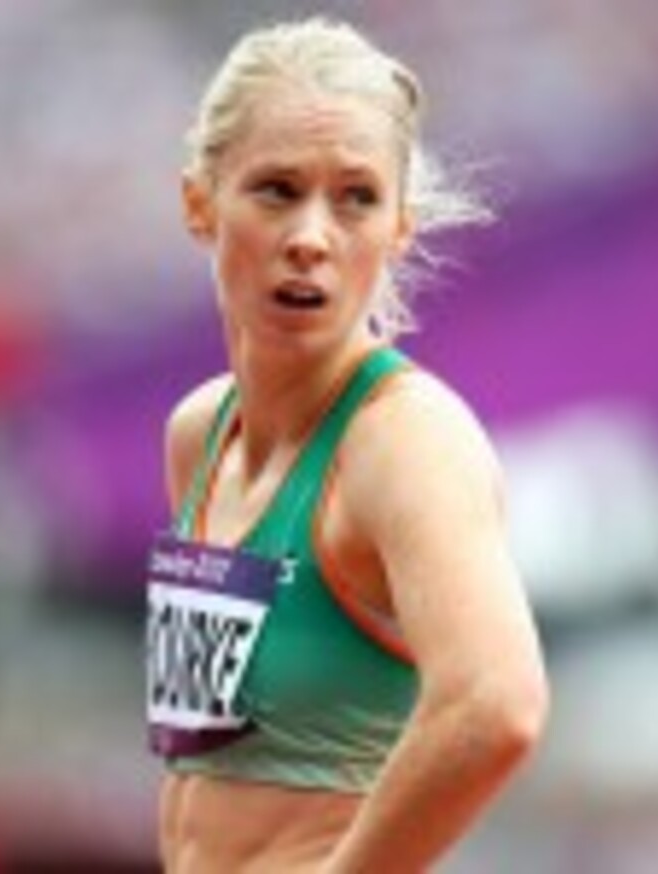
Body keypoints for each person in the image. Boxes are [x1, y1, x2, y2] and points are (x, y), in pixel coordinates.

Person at [146, 16, 550, 872]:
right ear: (199, 203)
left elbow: (496, 704)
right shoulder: (199, 436)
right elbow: (209, 764)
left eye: (357, 198)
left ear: (400, 226)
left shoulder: (405, 442)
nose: (311, 237)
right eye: (277, 190)